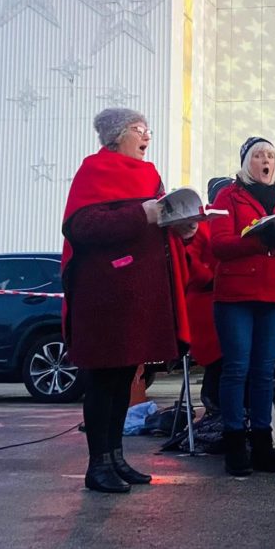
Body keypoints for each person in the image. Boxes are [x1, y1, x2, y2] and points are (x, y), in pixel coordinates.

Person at [61, 108, 190, 494]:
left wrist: (184, 225)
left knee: (123, 380)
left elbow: (157, 220)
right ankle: (97, 464)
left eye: (147, 129)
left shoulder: (150, 175)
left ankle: (115, 456)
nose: (146, 136)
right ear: (117, 136)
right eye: (139, 130)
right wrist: (142, 214)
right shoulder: (93, 170)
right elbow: (82, 228)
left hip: (139, 294)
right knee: (103, 380)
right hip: (104, 294)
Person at [210, 137, 275, 477]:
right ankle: (235, 441)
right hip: (237, 292)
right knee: (237, 368)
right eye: (259, 155)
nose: (266, 160)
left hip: (273, 294)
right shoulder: (228, 196)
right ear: (246, 162)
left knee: (265, 370)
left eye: (271, 155)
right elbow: (218, 244)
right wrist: (258, 238)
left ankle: (263, 443)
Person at [181, 219, 221, 411]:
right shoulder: (203, 226)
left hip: (219, 295)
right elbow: (190, 261)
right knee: (219, 359)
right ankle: (213, 402)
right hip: (206, 300)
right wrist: (212, 279)